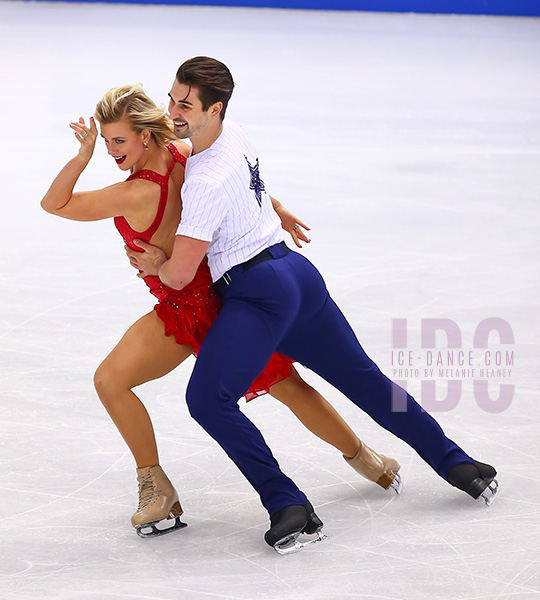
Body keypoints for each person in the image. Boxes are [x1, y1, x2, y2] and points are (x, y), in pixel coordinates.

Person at [129, 56, 499, 554]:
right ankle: (458, 463)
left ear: (213, 108)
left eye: (185, 104)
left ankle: (289, 505)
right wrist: (276, 207)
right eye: (172, 98)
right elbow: (227, 174)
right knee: (367, 380)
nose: (173, 110)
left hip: (258, 295)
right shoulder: (232, 133)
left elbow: (177, 273)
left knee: (206, 400)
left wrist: (154, 262)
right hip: (298, 278)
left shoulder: (203, 184)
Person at [40, 84, 402, 539]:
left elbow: (54, 204)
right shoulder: (183, 152)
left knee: (119, 381)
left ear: (145, 137)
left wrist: (81, 156)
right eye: (107, 141)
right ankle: (367, 460)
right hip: (225, 298)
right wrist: (277, 210)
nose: (112, 151)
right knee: (286, 386)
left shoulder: (132, 193)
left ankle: (158, 490)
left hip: (192, 308)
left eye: (119, 141)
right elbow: (228, 185)